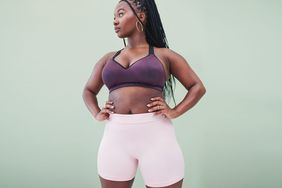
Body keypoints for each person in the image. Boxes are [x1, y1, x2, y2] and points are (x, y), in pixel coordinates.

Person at [82, 0, 206, 187]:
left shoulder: (165, 55)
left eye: (121, 14)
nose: (115, 21)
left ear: (141, 15)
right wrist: (96, 112)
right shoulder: (108, 58)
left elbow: (197, 86)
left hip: (157, 138)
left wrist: (175, 111)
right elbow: (88, 90)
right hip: (115, 140)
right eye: (114, 17)